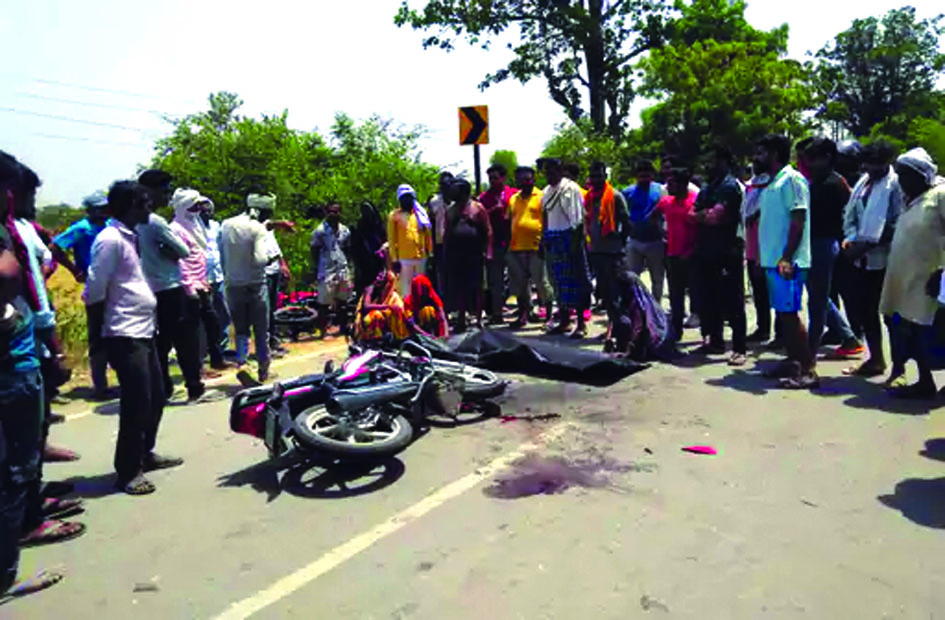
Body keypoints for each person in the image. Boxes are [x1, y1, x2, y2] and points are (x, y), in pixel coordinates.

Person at [85, 181, 183, 495]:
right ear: (129, 206)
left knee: (157, 394)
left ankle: (145, 453)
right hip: (123, 332)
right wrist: (98, 338)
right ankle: (127, 471)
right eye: (143, 203)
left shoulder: (131, 236)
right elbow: (94, 291)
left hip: (144, 328)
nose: (149, 208)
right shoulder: (110, 240)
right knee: (137, 401)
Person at [0, 154, 66, 599]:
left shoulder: (18, 229)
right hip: (13, 363)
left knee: (21, 460)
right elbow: (8, 275)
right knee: (14, 469)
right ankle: (6, 573)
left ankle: (30, 514)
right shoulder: (6, 236)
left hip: (26, 351)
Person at [879, 148, 945, 398]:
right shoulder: (909, 199)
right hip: (905, 279)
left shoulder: (940, 195)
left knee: (937, 331)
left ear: (921, 174)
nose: (901, 180)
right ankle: (925, 381)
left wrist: (942, 272)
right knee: (912, 331)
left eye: (906, 174)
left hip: (930, 278)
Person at [136, 169, 206, 402]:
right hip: (169, 288)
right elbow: (183, 251)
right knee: (184, 339)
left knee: (160, 342)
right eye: (164, 191)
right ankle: (193, 385)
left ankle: (163, 387)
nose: (166, 197)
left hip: (146, 288)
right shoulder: (156, 222)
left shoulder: (131, 221)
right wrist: (169, 252)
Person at [754, 134, 816, 387]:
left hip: (788, 262)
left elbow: (798, 219)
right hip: (773, 260)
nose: (756, 158)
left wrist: (787, 257)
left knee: (790, 314)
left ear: (774, 154)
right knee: (782, 314)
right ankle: (792, 362)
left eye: (760, 153)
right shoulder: (772, 182)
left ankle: (808, 371)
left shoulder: (792, 179)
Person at [840, 141, 903, 379]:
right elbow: (853, 214)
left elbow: (897, 222)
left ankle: (899, 369)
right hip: (861, 257)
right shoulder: (863, 182)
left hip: (885, 258)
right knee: (865, 310)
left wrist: (868, 243)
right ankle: (876, 359)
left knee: (890, 315)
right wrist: (851, 239)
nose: (869, 167)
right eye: (866, 163)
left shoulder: (895, 184)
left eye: (874, 163)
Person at [797, 137, 863, 357]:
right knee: (819, 295)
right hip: (815, 243)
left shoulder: (832, 183)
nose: (808, 161)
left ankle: (810, 353)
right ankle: (848, 337)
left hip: (824, 244)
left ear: (826, 158)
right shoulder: (818, 181)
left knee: (817, 301)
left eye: (813, 157)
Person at [51, 191, 112, 399]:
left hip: (113, 284)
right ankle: (100, 385)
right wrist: (74, 270)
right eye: (100, 208)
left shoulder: (109, 224)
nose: (104, 211)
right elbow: (56, 247)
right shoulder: (81, 229)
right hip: (94, 284)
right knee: (98, 336)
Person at [691, 146, 748, 366]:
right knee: (709, 299)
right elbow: (692, 215)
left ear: (723, 161)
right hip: (706, 250)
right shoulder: (707, 187)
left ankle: (739, 348)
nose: (708, 165)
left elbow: (717, 217)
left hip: (727, 251)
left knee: (733, 301)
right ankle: (715, 341)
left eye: (712, 160)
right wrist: (704, 214)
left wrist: (703, 215)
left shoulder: (730, 186)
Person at [219, 194, 280, 382]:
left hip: (233, 283)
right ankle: (263, 368)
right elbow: (260, 260)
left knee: (241, 329)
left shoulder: (226, 225)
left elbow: (222, 254)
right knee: (261, 329)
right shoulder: (257, 229)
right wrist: (272, 258)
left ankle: (242, 362)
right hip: (255, 284)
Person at [168, 189, 228, 373]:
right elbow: (181, 261)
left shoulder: (196, 225)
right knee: (194, 329)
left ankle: (217, 359)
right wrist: (190, 286)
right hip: (188, 286)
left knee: (214, 322)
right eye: (195, 205)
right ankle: (198, 367)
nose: (199, 209)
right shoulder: (175, 229)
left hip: (203, 281)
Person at [541, 158, 591, 338]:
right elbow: (545, 216)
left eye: (552, 171)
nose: (548, 174)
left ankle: (580, 325)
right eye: (546, 171)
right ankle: (564, 322)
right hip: (552, 239)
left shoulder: (571, 188)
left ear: (560, 170)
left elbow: (577, 221)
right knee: (557, 284)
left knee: (576, 282)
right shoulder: (546, 191)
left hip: (570, 239)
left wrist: (575, 245)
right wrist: (544, 239)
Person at [652, 167, 698, 341]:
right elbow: (653, 216)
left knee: (697, 293)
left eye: (672, 183)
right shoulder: (667, 202)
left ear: (683, 184)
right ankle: (676, 331)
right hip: (673, 254)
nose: (668, 186)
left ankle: (706, 332)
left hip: (692, 255)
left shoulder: (695, 200)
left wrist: (692, 250)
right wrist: (662, 232)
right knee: (675, 295)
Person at [506, 166, 554, 328]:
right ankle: (524, 314)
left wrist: (544, 242)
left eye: (527, 179)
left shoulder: (542, 196)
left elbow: (547, 220)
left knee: (541, 282)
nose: (524, 182)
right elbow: (510, 220)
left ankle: (549, 316)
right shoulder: (513, 198)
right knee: (520, 284)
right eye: (521, 179)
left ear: (533, 179)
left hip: (536, 246)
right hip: (516, 247)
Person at [585, 161, 630, 326]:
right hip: (596, 251)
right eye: (593, 176)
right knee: (605, 294)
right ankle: (613, 327)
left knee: (616, 292)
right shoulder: (589, 197)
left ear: (605, 176)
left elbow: (626, 222)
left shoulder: (615, 196)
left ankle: (620, 329)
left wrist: (620, 244)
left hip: (613, 252)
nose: (596, 179)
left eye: (599, 176)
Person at [444, 179, 492, 332]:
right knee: (459, 287)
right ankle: (461, 319)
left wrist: (488, 251)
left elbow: (488, 231)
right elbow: (447, 233)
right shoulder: (451, 210)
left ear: (464, 191)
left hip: (475, 253)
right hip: (457, 254)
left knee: (477, 286)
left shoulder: (477, 208)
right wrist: (445, 251)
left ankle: (478, 318)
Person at [607, 268, 673, 362]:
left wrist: (627, 352)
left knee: (624, 322)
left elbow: (638, 330)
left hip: (652, 341)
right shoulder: (633, 299)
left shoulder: (640, 305)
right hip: (645, 337)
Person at [623, 160, 666, 301]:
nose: (644, 179)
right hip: (634, 240)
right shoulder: (628, 192)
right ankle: (635, 307)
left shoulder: (661, 190)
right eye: (641, 176)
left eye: (647, 176)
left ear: (652, 175)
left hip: (656, 240)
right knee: (632, 277)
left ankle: (656, 308)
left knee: (657, 278)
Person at [479, 164, 517, 325]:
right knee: (496, 280)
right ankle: (496, 313)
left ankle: (525, 312)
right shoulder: (484, 198)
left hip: (514, 242)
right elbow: (479, 217)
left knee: (520, 278)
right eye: (490, 178)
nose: (493, 181)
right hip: (494, 244)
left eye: (496, 178)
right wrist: (493, 210)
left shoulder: (513, 194)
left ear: (503, 178)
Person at [310, 203, 353, 335]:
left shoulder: (345, 230)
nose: (333, 214)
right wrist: (316, 268)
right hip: (326, 269)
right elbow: (314, 250)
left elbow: (347, 248)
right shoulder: (320, 231)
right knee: (324, 302)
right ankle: (322, 330)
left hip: (342, 268)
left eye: (336, 212)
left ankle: (343, 327)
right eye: (330, 212)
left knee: (343, 301)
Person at [743, 167, 775, 343]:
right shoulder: (752, 187)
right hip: (752, 247)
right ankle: (763, 329)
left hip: (768, 249)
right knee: (759, 292)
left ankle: (781, 333)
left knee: (775, 293)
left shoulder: (774, 187)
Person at [257, 197, 290, 356]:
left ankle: (272, 340)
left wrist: (283, 264)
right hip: (263, 271)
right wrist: (280, 224)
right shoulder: (253, 226)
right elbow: (267, 225)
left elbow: (274, 245)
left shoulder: (268, 225)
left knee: (273, 309)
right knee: (264, 309)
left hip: (274, 268)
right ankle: (265, 345)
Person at [388, 185, 432, 298]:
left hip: (421, 257)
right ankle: (408, 315)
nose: (407, 200)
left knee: (420, 287)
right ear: (400, 199)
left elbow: (427, 235)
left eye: (409, 197)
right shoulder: (394, 216)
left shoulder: (420, 215)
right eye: (404, 197)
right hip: (404, 259)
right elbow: (392, 240)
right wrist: (394, 259)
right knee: (406, 289)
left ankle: (420, 313)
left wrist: (430, 253)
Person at [199, 200, 230, 353]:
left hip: (219, 275)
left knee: (223, 311)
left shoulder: (216, 226)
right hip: (204, 277)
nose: (206, 213)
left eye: (208, 210)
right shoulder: (193, 228)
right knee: (207, 314)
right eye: (203, 210)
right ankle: (207, 349)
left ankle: (223, 346)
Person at [353, 264, 409, 342]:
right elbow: (366, 306)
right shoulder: (370, 289)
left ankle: (397, 338)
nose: (378, 279)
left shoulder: (387, 293)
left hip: (378, 320)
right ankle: (375, 340)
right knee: (376, 315)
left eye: (382, 278)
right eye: (377, 277)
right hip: (364, 320)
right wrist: (388, 307)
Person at [350, 201, 387, 295]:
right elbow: (355, 247)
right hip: (364, 263)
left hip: (379, 261)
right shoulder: (360, 226)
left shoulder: (379, 226)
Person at [427, 172, 454, 298]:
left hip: (455, 244)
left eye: (448, 185)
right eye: (443, 185)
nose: (446, 188)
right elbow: (430, 226)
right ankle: (444, 303)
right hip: (439, 244)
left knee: (455, 274)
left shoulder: (457, 202)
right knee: (441, 275)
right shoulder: (434, 202)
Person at [404, 274, 449, 339]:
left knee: (428, 310)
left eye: (425, 288)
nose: (424, 292)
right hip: (418, 331)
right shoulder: (408, 302)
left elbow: (442, 316)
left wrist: (446, 332)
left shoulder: (433, 297)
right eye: (421, 289)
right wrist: (425, 335)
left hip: (433, 332)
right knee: (426, 311)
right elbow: (411, 323)